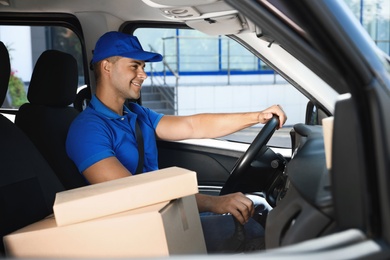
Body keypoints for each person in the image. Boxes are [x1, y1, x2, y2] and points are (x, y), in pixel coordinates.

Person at [66, 31, 287, 252]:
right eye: (134, 66)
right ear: (106, 67)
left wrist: (257, 117)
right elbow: (132, 194)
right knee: (254, 229)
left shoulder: (135, 114)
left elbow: (194, 125)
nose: (143, 74)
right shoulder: (87, 130)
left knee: (257, 209)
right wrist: (213, 203)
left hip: (161, 214)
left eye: (143, 67)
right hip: (136, 232)